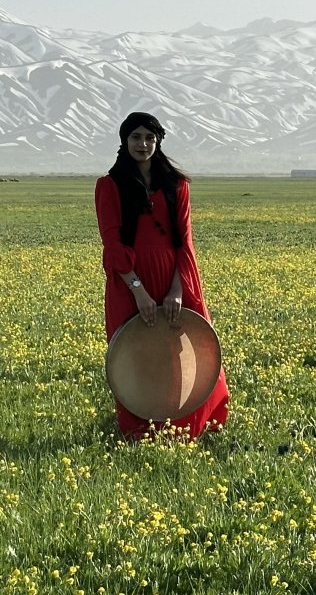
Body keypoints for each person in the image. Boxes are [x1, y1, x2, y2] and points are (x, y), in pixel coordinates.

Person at [94, 112, 229, 440]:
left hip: (175, 278)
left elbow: (184, 241)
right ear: (125, 141)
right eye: (136, 137)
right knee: (137, 352)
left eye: (149, 138)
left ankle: (186, 427)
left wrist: (177, 290)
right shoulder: (109, 186)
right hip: (129, 284)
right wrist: (138, 291)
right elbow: (113, 245)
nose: (143, 144)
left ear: (158, 142)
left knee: (184, 350)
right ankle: (142, 431)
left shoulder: (177, 184)